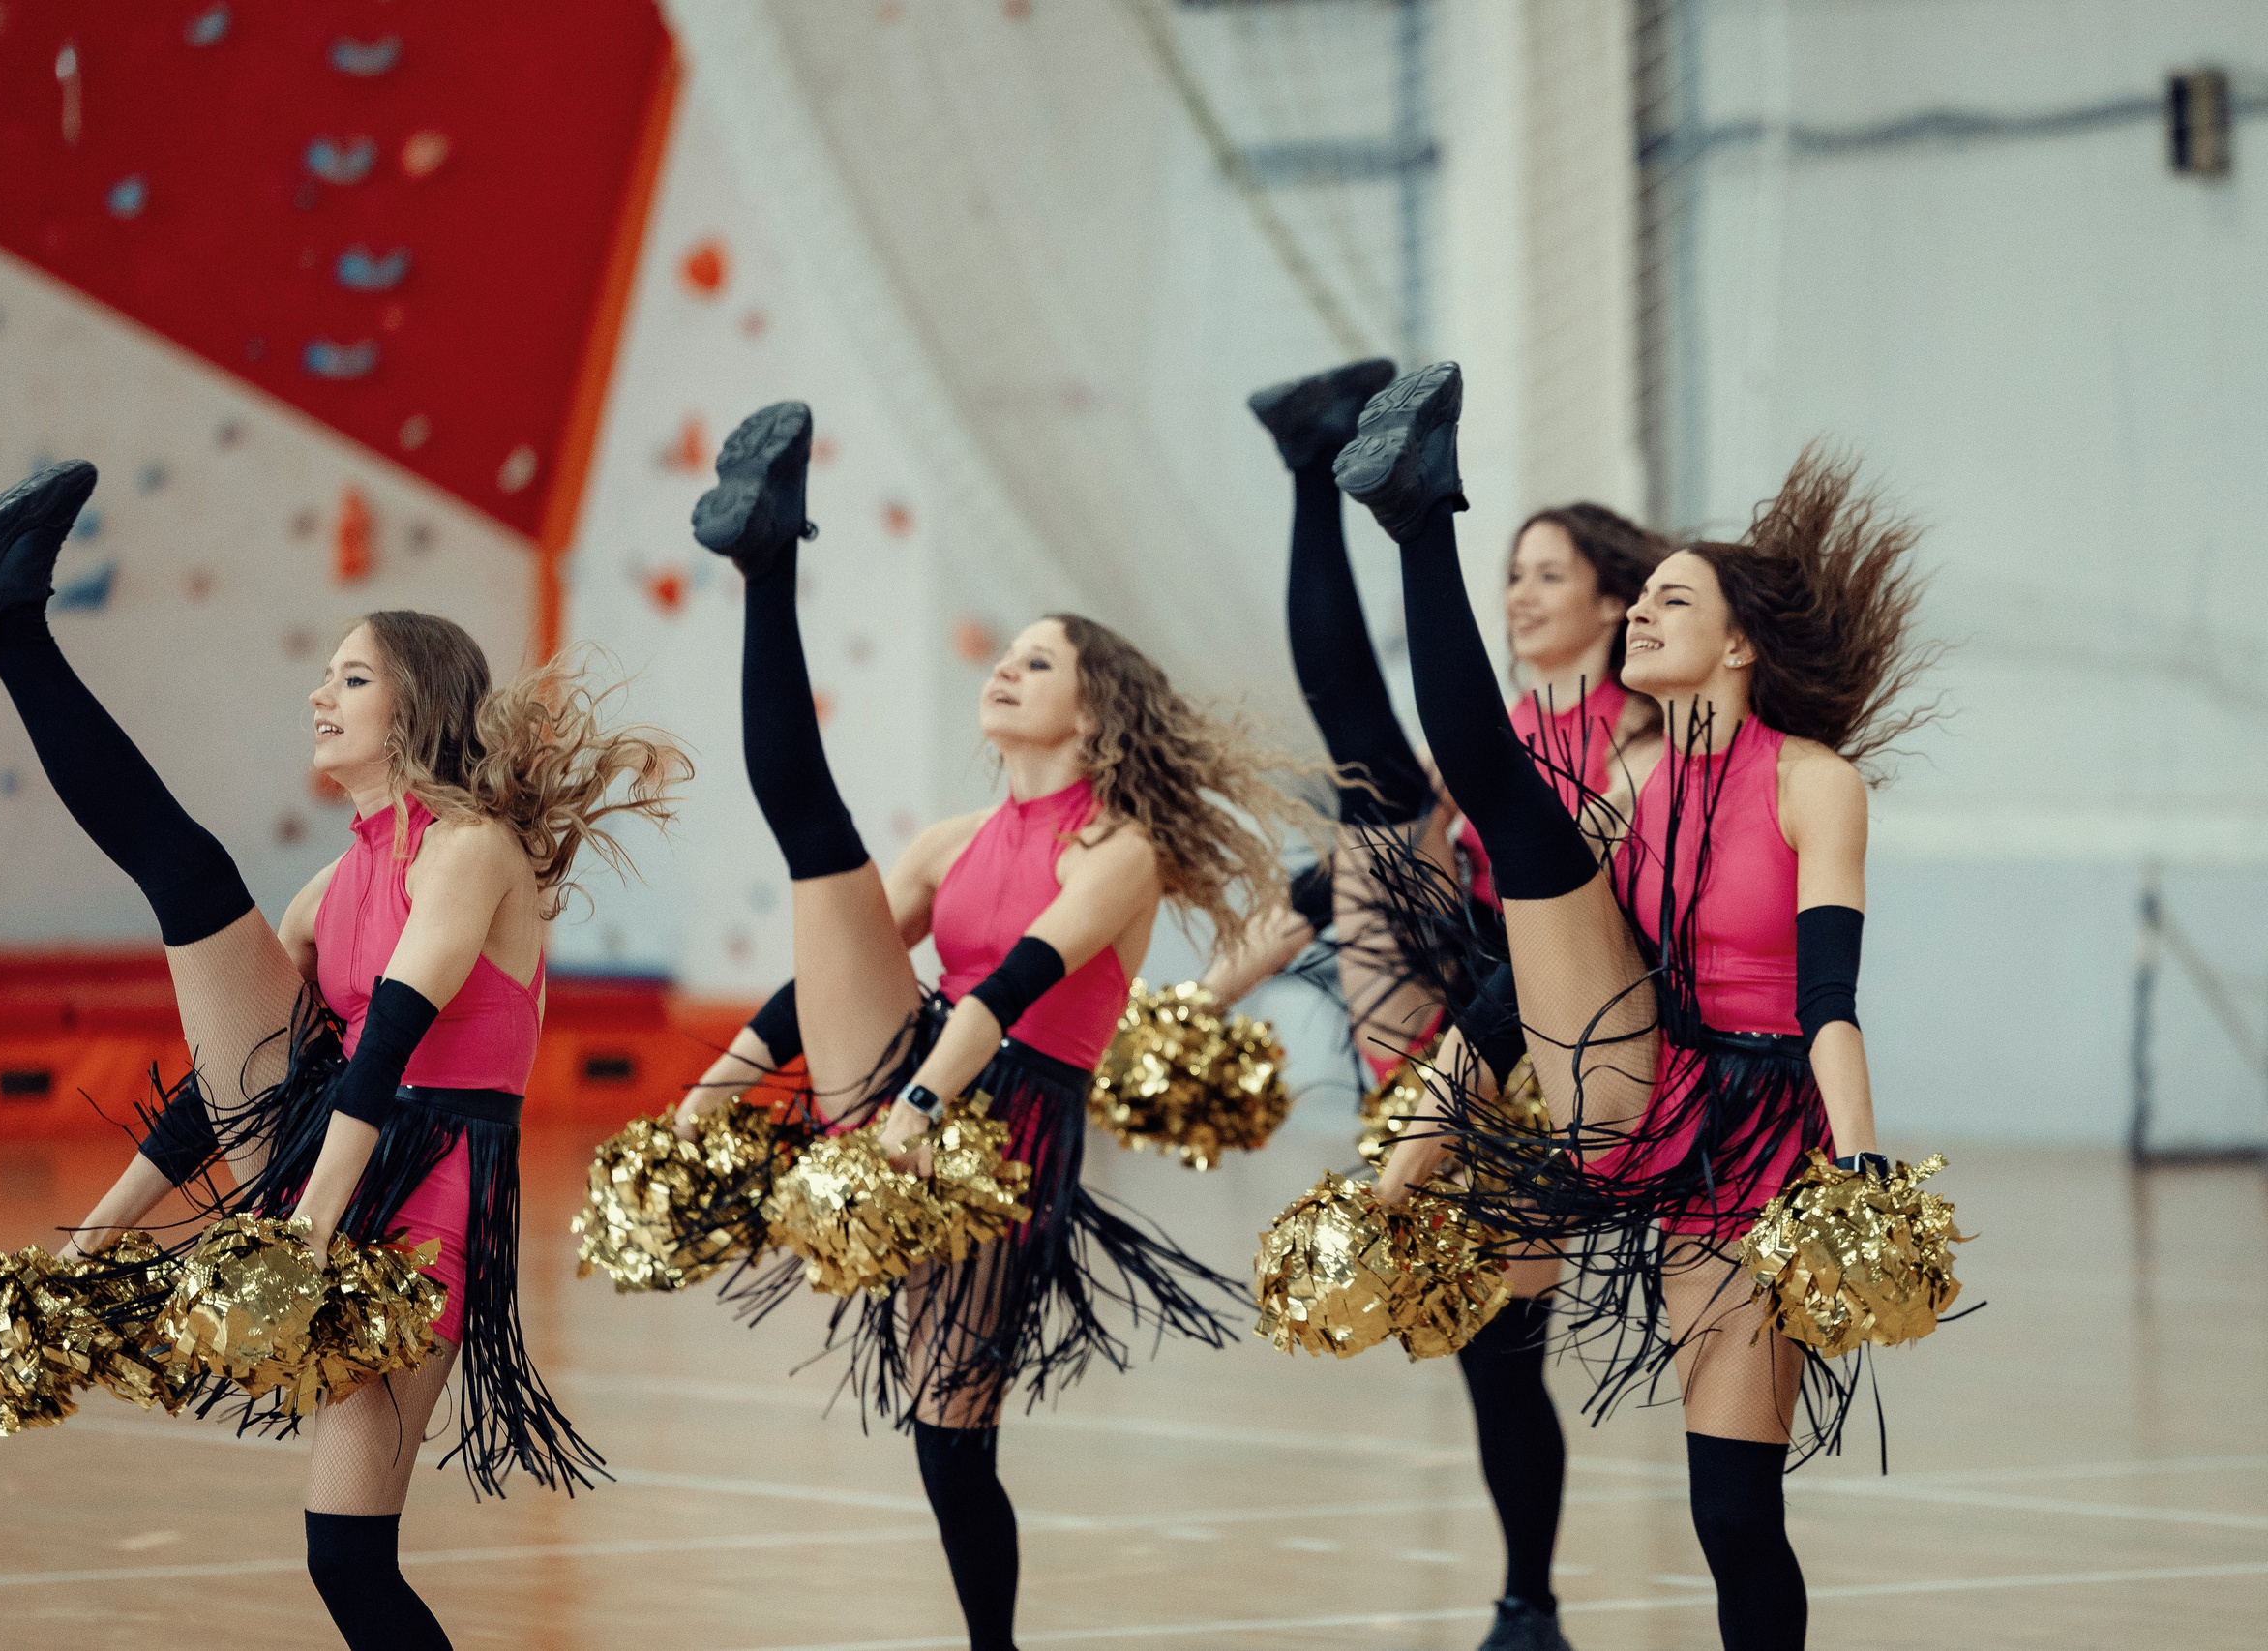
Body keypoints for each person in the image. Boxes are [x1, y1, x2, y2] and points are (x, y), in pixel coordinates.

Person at [0, 462, 681, 1651]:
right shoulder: (343, 876)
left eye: (351, 677)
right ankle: (8, 625)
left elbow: (388, 1056)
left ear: (417, 705)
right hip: (335, 1162)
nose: (319, 695)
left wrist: (306, 1228)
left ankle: (9, 623)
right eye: (323, 675)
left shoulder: (468, 849)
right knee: (189, 880)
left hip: (426, 1203)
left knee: (348, 1562)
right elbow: (238, 1075)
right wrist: (101, 1230)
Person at [676, 401, 1318, 1651]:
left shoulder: (1119, 846)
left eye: (1037, 661)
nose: (1005, 669)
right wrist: (713, 1093)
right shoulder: (951, 842)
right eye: (1005, 653)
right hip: (910, 1066)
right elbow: (831, 973)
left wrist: (916, 1116)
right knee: (820, 853)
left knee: (952, 1424)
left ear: (1092, 714)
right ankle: (769, 559)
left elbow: (1017, 983)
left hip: (1007, 1116)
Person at [1332, 363, 1934, 1651]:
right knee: (1508, 809)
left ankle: (1411, 515)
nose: (1642, 616)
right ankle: (1415, 518)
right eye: (1642, 599)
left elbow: (1831, 996)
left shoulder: (1813, 781)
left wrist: (1864, 1164)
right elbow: (1511, 1002)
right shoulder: (1641, 788)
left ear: (1739, 643)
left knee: (1732, 1508)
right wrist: (1402, 1166)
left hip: (1763, 1140)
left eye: (1673, 600)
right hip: (1645, 1089)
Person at [1209, 361, 1663, 1651]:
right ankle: (1315, 465)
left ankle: (1530, 1598)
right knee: (1366, 782)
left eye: (1546, 576)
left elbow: (1590, 923)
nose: (1522, 596)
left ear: (1616, 603)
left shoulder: (1637, 752)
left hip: (1540, 1034)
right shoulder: (1493, 743)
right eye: (1509, 573)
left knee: (1505, 1344)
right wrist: (1195, 1002)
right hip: (1429, 1005)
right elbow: (1354, 868)